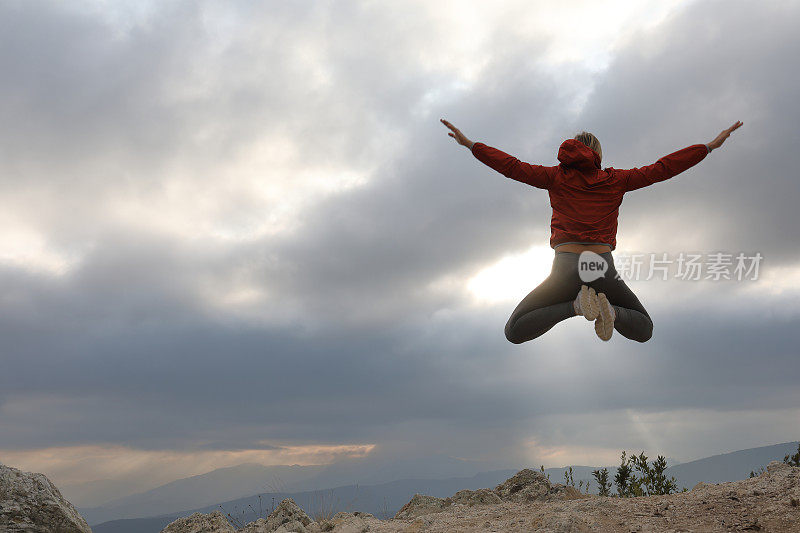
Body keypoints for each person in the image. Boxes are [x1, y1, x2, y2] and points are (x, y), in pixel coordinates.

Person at [440, 118, 743, 343]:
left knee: (514, 330)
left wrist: (471, 146)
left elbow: (512, 166)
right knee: (644, 328)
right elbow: (662, 168)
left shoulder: (555, 177)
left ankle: (574, 307)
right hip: (601, 266)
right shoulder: (616, 179)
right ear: (598, 153)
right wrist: (707, 147)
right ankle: (609, 309)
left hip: (565, 266)